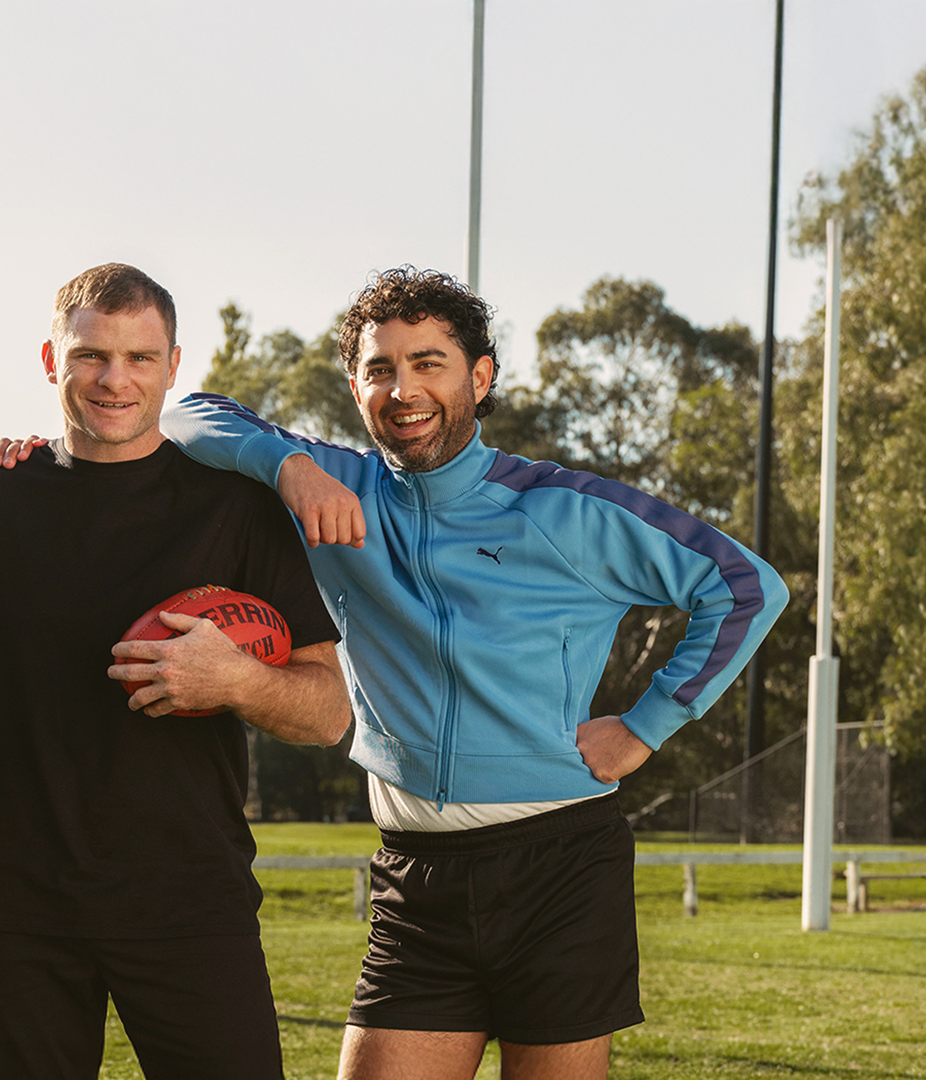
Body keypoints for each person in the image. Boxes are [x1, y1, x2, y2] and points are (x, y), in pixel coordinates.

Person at [158, 267, 789, 1080]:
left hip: (560, 869)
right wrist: (285, 466)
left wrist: (644, 726)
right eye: (380, 369)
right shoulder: (336, 487)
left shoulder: (564, 509)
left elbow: (744, 586)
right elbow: (185, 413)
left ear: (478, 377)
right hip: (414, 877)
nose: (403, 389)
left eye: (429, 364)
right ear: (354, 386)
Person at [0, 263, 353, 1080]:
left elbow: (330, 713)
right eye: (91, 355)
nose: (113, 379)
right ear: (49, 359)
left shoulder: (236, 510)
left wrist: (233, 681)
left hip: (189, 896)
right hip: (20, 902)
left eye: (139, 357)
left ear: (173, 366)